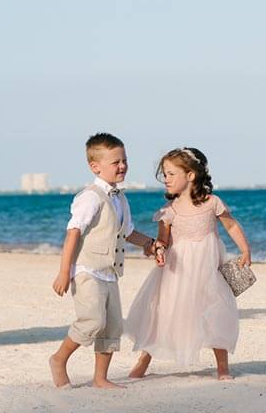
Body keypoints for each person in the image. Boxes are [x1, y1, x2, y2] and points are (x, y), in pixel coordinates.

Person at [124, 147, 251, 380]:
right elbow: (162, 240)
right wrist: (159, 250)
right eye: (164, 174)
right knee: (163, 313)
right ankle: (143, 360)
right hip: (178, 270)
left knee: (215, 311)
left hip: (208, 270)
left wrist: (245, 249)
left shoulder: (212, 203)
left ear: (191, 175)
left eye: (171, 174)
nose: (166, 179)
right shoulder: (169, 210)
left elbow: (231, 225)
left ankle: (223, 366)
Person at [49, 133, 157, 389]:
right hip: (87, 270)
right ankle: (58, 359)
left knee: (112, 326)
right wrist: (65, 272)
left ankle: (100, 377)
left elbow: (127, 231)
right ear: (95, 166)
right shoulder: (90, 197)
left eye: (124, 160)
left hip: (109, 272)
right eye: (115, 162)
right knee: (92, 321)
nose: (122, 166)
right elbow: (73, 233)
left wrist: (150, 244)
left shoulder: (120, 197)